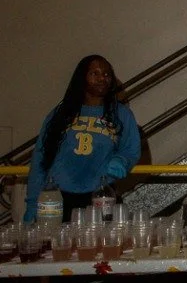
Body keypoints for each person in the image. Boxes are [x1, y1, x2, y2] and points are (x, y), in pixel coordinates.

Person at [24, 54, 141, 221]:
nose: (102, 78)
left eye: (107, 74)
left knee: (101, 245)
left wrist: (121, 159)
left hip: (100, 196)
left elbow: (131, 149)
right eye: (95, 73)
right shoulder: (60, 114)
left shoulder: (121, 114)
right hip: (59, 197)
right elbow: (40, 158)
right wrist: (33, 203)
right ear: (82, 78)